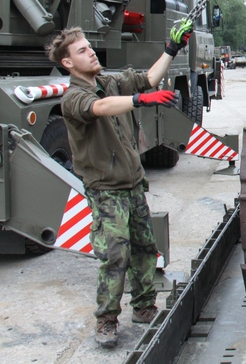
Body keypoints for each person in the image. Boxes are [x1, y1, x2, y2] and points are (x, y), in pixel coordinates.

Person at [46, 22, 192, 348]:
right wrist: (139, 99)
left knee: (143, 247)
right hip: (106, 189)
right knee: (115, 255)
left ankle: (143, 307)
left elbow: (149, 80)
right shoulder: (74, 97)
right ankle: (107, 320)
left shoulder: (109, 81)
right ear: (68, 62)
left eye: (89, 46)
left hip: (133, 183)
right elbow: (99, 108)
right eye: (82, 50)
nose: (91, 51)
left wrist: (172, 48)